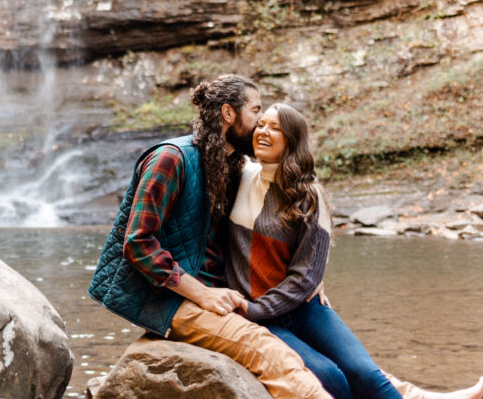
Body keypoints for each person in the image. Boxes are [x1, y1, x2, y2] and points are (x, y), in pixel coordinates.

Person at [89, 74, 333, 399]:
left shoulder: (228, 165)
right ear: (229, 114)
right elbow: (137, 243)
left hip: (218, 294)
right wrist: (201, 294)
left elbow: (256, 232)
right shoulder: (170, 158)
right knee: (266, 349)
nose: (262, 122)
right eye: (255, 110)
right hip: (169, 299)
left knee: (333, 365)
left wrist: (313, 278)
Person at [226, 103, 483, 399]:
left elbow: (305, 277)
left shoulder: (310, 196)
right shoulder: (240, 175)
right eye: (260, 124)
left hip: (301, 307)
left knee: (364, 372)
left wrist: (257, 307)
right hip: (263, 316)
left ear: (292, 141)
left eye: (275, 128)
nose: (263, 131)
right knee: (329, 377)